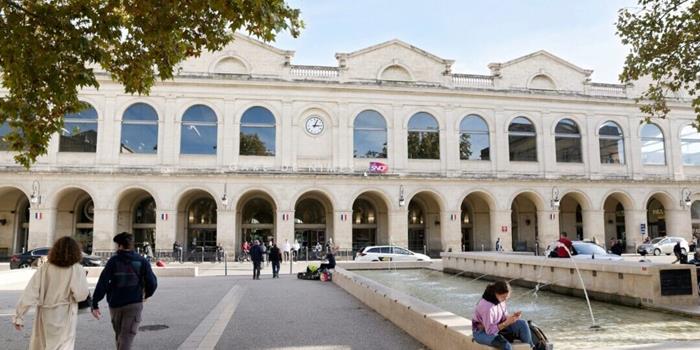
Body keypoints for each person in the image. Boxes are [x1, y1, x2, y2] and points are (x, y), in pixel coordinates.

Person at [12, 236, 90, 350]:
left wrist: (19, 316)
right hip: (66, 314)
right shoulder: (77, 269)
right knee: (64, 345)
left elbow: (30, 292)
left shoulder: (45, 268)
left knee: (44, 345)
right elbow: (81, 295)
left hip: (45, 313)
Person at [92, 232, 158, 350]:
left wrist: (95, 303)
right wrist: (146, 295)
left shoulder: (113, 261)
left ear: (119, 245)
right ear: (132, 245)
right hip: (134, 303)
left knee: (121, 337)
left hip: (115, 305)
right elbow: (152, 282)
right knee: (125, 338)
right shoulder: (141, 261)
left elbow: (103, 282)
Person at [472, 280, 534, 350]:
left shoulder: (500, 300)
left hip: (498, 327)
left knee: (522, 324)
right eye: (503, 297)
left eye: (507, 297)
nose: (505, 299)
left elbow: (503, 317)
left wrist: (512, 317)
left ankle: (531, 348)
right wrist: (506, 323)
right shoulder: (487, 306)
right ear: (496, 293)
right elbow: (489, 331)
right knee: (506, 346)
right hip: (482, 332)